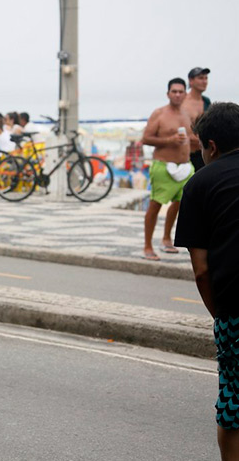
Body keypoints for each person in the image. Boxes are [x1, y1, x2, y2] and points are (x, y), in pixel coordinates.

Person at [174, 102, 239, 460]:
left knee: (233, 407)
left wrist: (223, 316)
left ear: (211, 146)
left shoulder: (199, 184)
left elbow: (201, 270)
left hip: (235, 310)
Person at [141, 78, 198, 261]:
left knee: (180, 203)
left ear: (185, 93)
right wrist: (169, 140)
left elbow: (191, 138)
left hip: (185, 166)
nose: (178, 94)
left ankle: (167, 238)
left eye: (181, 91)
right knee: (155, 204)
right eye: (174, 91)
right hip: (163, 165)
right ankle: (147, 245)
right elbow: (146, 138)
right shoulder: (159, 114)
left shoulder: (187, 114)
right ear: (168, 94)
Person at [182, 67, 211, 171]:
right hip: (186, 154)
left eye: (206, 78)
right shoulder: (182, 101)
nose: (204, 81)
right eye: (200, 78)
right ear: (191, 80)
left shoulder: (206, 101)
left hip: (204, 153)